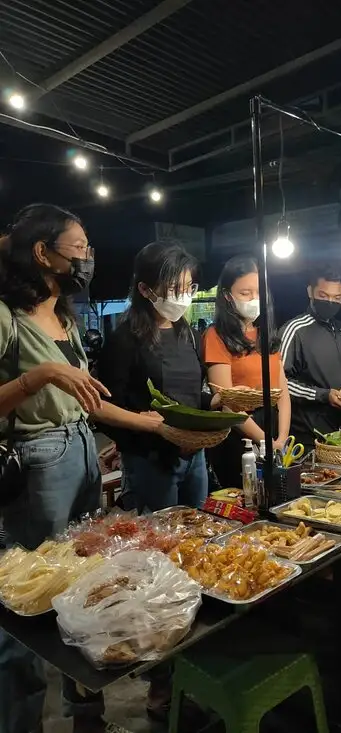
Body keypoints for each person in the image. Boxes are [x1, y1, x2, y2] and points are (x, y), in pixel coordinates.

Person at [0, 204, 162, 733]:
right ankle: (21, 720)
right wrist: (38, 376)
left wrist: (147, 423)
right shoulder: (7, 316)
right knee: (29, 599)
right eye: (79, 247)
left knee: (83, 588)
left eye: (89, 248)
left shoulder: (65, 315)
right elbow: (36, 389)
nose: (87, 257)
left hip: (82, 449)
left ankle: (87, 716)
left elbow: (88, 398)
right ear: (42, 252)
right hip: (38, 457)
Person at [98, 240, 216, 513]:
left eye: (189, 288)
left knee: (195, 533)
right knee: (158, 542)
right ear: (144, 289)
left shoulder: (189, 335)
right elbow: (103, 407)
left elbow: (190, 394)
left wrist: (216, 401)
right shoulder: (124, 340)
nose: (183, 296)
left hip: (194, 457)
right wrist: (142, 427)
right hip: (149, 461)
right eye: (175, 289)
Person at [204, 255, 291, 487]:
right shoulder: (216, 336)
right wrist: (266, 441)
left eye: (259, 292)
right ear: (226, 295)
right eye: (245, 293)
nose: (255, 299)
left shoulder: (267, 334)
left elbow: (282, 392)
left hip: (272, 428)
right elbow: (228, 401)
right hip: (239, 432)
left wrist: (281, 438)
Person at [279, 263, 341, 451]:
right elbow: (279, 383)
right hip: (309, 434)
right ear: (310, 292)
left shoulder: (339, 329)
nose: (330, 301)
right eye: (323, 295)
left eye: (337, 297)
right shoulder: (295, 329)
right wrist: (323, 395)